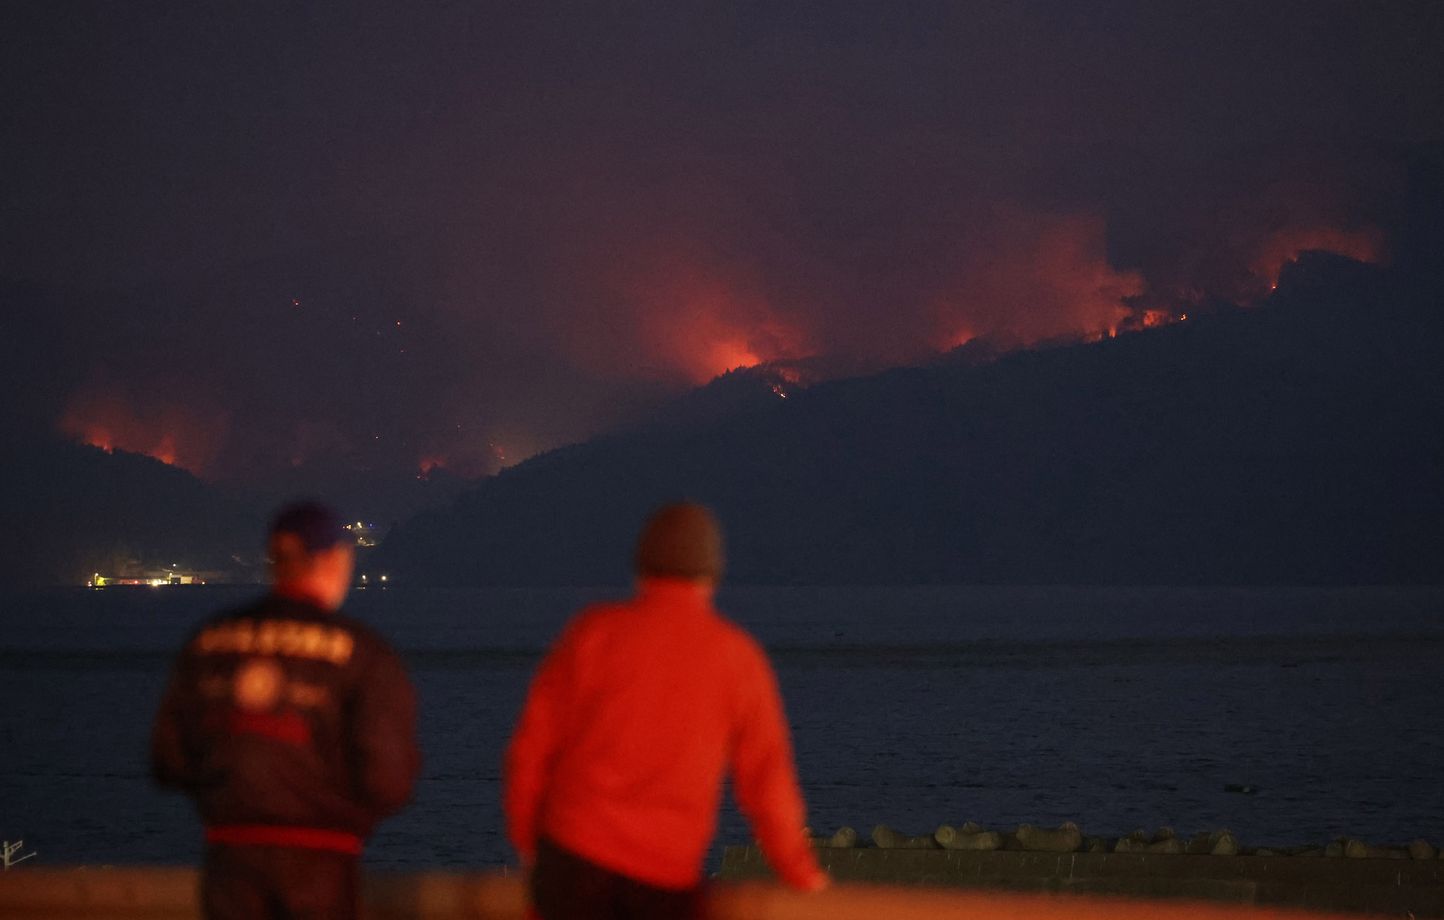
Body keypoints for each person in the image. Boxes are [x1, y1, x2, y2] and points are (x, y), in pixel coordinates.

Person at [504, 502, 828, 919]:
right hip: (661, 879)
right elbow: (767, 784)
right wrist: (801, 874)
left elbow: (530, 752)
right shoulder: (735, 657)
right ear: (711, 573)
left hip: (570, 862)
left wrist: (533, 845)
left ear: (641, 566)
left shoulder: (592, 634)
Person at [151, 501, 420, 920]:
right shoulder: (362, 653)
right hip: (322, 865)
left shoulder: (210, 642)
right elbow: (389, 779)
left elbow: (168, 759)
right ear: (332, 559)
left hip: (230, 862)